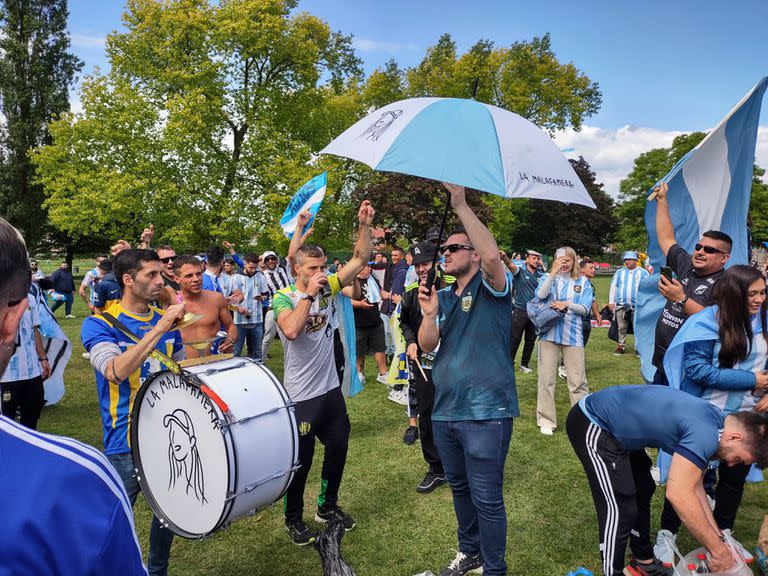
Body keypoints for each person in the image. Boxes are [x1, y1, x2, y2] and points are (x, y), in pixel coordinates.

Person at [418, 183, 518, 576]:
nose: (445, 253)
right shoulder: (441, 296)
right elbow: (428, 344)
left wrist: (459, 203)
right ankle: (470, 552)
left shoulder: (492, 286)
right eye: (443, 250)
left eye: (453, 248)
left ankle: (494, 568)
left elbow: (493, 256)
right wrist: (427, 314)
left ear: (472, 254)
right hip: (446, 410)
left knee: (487, 497)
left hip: (486, 410)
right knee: (459, 489)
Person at [567, 385, 768, 576]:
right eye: (739, 459)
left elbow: (696, 487)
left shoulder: (717, 425)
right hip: (594, 422)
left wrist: (719, 541)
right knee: (620, 506)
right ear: (734, 437)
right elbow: (679, 494)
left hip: (621, 432)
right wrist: (718, 552)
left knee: (643, 488)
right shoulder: (705, 433)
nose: (732, 465)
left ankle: (643, 562)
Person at [653, 264, 768, 567]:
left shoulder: (764, 322)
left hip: (746, 417)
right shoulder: (708, 322)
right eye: (751, 294)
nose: (759, 300)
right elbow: (697, 369)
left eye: (763, 292)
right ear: (733, 295)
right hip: (706, 415)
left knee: (734, 478)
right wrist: (752, 381)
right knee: (689, 478)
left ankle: (724, 531)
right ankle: (667, 533)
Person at [81, 248, 187, 576]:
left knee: (166, 515)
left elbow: (180, 369)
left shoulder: (167, 320)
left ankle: (157, 571)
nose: (160, 280)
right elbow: (115, 370)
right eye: (151, 275)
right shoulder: (99, 324)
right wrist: (161, 326)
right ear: (128, 279)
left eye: (161, 274)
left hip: (165, 437)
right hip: (124, 442)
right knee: (108, 524)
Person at [274, 200, 374, 546]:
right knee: (301, 462)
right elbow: (290, 331)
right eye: (312, 267)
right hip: (301, 395)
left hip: (329, 390)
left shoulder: (329, 286)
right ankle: (293, 518)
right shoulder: (284, 297)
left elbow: (359, 260)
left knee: (338, 448)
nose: (320, 272)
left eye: (322, 267)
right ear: (297, 268)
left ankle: (327, 507)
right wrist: (309, 296)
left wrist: (364, 226)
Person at [651, 181, 731, 385]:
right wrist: (662, 201)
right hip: (663, 359)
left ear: (724, 258)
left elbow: (717, 322)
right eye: (699, 246)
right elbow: (666, 238)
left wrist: (680, 298)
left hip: (688, 367)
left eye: (710, 250)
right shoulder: (687, 265)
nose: (701, 252)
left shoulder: (727, 283)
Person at [399, 241, 446, 494]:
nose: (421, 270)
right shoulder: (410, 294)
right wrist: (410, 341)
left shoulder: (452, 290)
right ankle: (436, 468)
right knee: (427, 415)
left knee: (454, 414)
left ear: (436, 263)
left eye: (425, 264)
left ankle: (457, 464)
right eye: (417, 266)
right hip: (425, 365)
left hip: (453, 365)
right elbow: (403, 321)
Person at [535, 246, 593, 436]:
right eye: (561, 259)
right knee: (546, 378)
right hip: (548, 334)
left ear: (574, 261)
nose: (565, 262)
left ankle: (581, 420)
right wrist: (552, 273)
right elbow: (540, 296)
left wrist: (567, 305)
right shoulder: (548, 278)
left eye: (568, 259)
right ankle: (546, 420)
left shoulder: (582, 281)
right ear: (555, 260)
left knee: (577, 380)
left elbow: (585, 309)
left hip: (573, 334)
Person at [0, 282, 51, 429]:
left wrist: (43, 358)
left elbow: (35, 330)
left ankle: (28, 449)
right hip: (6, 375)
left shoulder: (30, 298)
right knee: (6, 423)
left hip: (32, 371)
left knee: (31, 418)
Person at [172, 254, 236, 358]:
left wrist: (230, 340)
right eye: (189, 276)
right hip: (182, 367)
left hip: (212, 364)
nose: (196, 279)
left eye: (199, 274)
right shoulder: (171, 301)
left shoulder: (216, 299)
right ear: (176, 279)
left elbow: (230, 326)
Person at [342, 262, 388, 383]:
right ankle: (359, 373)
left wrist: (390, 295)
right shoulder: (351, 282)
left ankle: (383, 373)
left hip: (376, 322)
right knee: (359, 351)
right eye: (366, 266)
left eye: (369, 266)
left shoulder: (373, 279)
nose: (369, 268)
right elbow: (347, 301)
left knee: (380, 348)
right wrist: (360, 304)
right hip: (358, 324)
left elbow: (380, 292)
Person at [501, 249, 544, 373]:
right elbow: (510, 265)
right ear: (527, 259)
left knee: (530, 340)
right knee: (515, 339)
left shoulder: (540, 276)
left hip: (535, 313)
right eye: (533, 258)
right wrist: (504, 257)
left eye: (538, 258)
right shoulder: (520, 272)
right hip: (520, 311)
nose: (536, 261)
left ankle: (524, 364)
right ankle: (509, 363)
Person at [609, 250, 649, 355]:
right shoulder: (619, 272)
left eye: (629, 259)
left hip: (638, 306)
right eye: (625, 260)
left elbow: (648, 288)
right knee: (621, 327)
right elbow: (614, 286)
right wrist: (611, 301)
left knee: (637, 327)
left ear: (635, 260)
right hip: (621, 305)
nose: (627, 262)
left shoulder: (643, 273)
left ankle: (638, 347)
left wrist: (646, 302)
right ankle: (621, 346)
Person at [231, 253, 269, 361]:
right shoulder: (235, 278)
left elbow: (266, 294)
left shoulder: (260, 276)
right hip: (239, 322)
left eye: (255, 268)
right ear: (244, 264)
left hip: (257, 320)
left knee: (257, 351)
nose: (253, 270)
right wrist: (238, 308)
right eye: (250, 267)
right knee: (236, 351)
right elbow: (228, 304)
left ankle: (258, 371)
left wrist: (262, 298)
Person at [261, 250, 293, 360]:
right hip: (273, 306)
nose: (271, 261)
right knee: (269, 334)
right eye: (268, 259)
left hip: (290, 304)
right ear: (264, 262)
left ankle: (291, 358)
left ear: (276, 259)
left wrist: (303, 234)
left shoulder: (283, 268)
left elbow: (292, 252)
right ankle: (262, 358)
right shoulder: (262, 275)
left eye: (273, 258)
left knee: (290, 334)